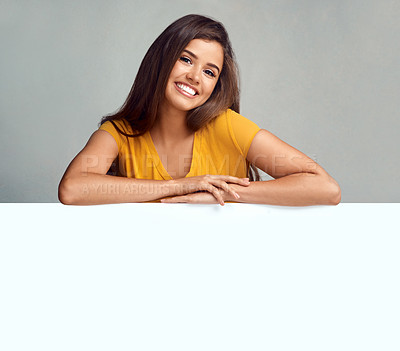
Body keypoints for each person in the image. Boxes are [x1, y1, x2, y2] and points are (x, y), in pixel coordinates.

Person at [58, 14, 341, 206]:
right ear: (160, 61)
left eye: (209, 71)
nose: (195, 77)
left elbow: (326, 188)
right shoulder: (119, 134)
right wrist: (181, 185)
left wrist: (226, 194)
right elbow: (72, 189)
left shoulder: (228, 126)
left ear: (216, 85)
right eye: (185, 59)